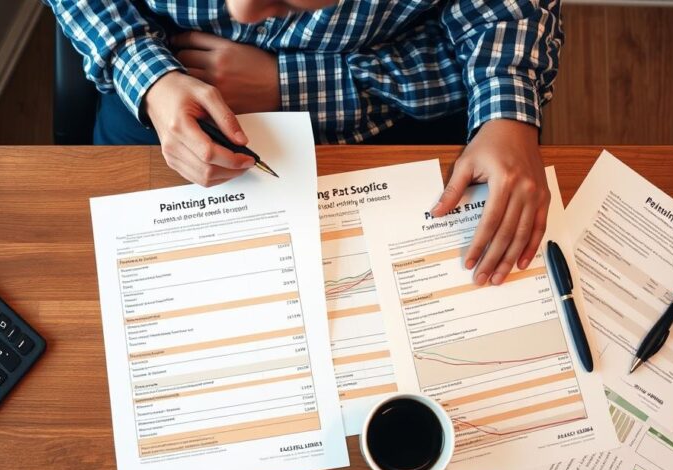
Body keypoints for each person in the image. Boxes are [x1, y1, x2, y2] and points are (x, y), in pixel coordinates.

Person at [49, 0, 560, 288]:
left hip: (385, 110)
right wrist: (147, 73)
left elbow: (502, 18)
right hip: (160, 86)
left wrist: (506, 117)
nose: (243, 12)